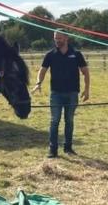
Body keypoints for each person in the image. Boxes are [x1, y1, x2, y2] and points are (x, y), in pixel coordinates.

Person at [31, 29, 90, 158]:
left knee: (69, 120)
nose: (57, 40)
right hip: (56, 94)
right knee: (54, 121)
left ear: (66, 38)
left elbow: (85, 72)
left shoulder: (76, 54)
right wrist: (38, 83)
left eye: (59, 38)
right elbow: (42, 70)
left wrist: (87, 90)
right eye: (55, 38)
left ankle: (68, 148)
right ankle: (53, 150)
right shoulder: (50, 54)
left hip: (72, 93)